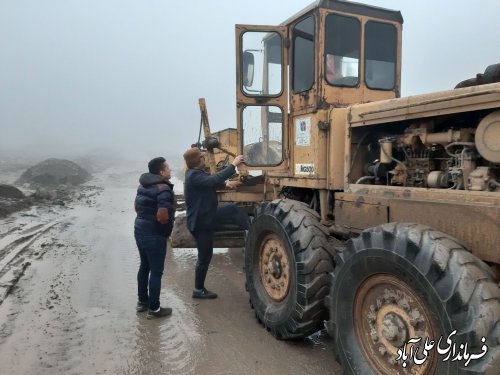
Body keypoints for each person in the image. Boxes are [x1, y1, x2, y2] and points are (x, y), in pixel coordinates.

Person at [183, 147, 245, 299]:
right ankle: (198, 290)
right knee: (204, 257)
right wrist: (233, 165)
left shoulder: (196, 174)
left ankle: (250, 231)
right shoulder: (192, 176)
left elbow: (210, 183)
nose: (204, 158)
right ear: (199, 160)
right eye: (202, 156)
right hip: (201, 222)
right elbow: (212, 180)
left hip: (206, 215)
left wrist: (226, 184)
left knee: (231, 209)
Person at [134, 157, 176, 319]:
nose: (170, 170)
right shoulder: (163, 188)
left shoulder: (142, 185)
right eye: (168, 168)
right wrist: (164, 232)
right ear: (161, 172)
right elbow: (163, 216)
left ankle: (142, 302)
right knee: (156, 271)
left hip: (139, 229)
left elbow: (136, 207)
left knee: (144, 266)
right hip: (154, 234)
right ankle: (155, 308)